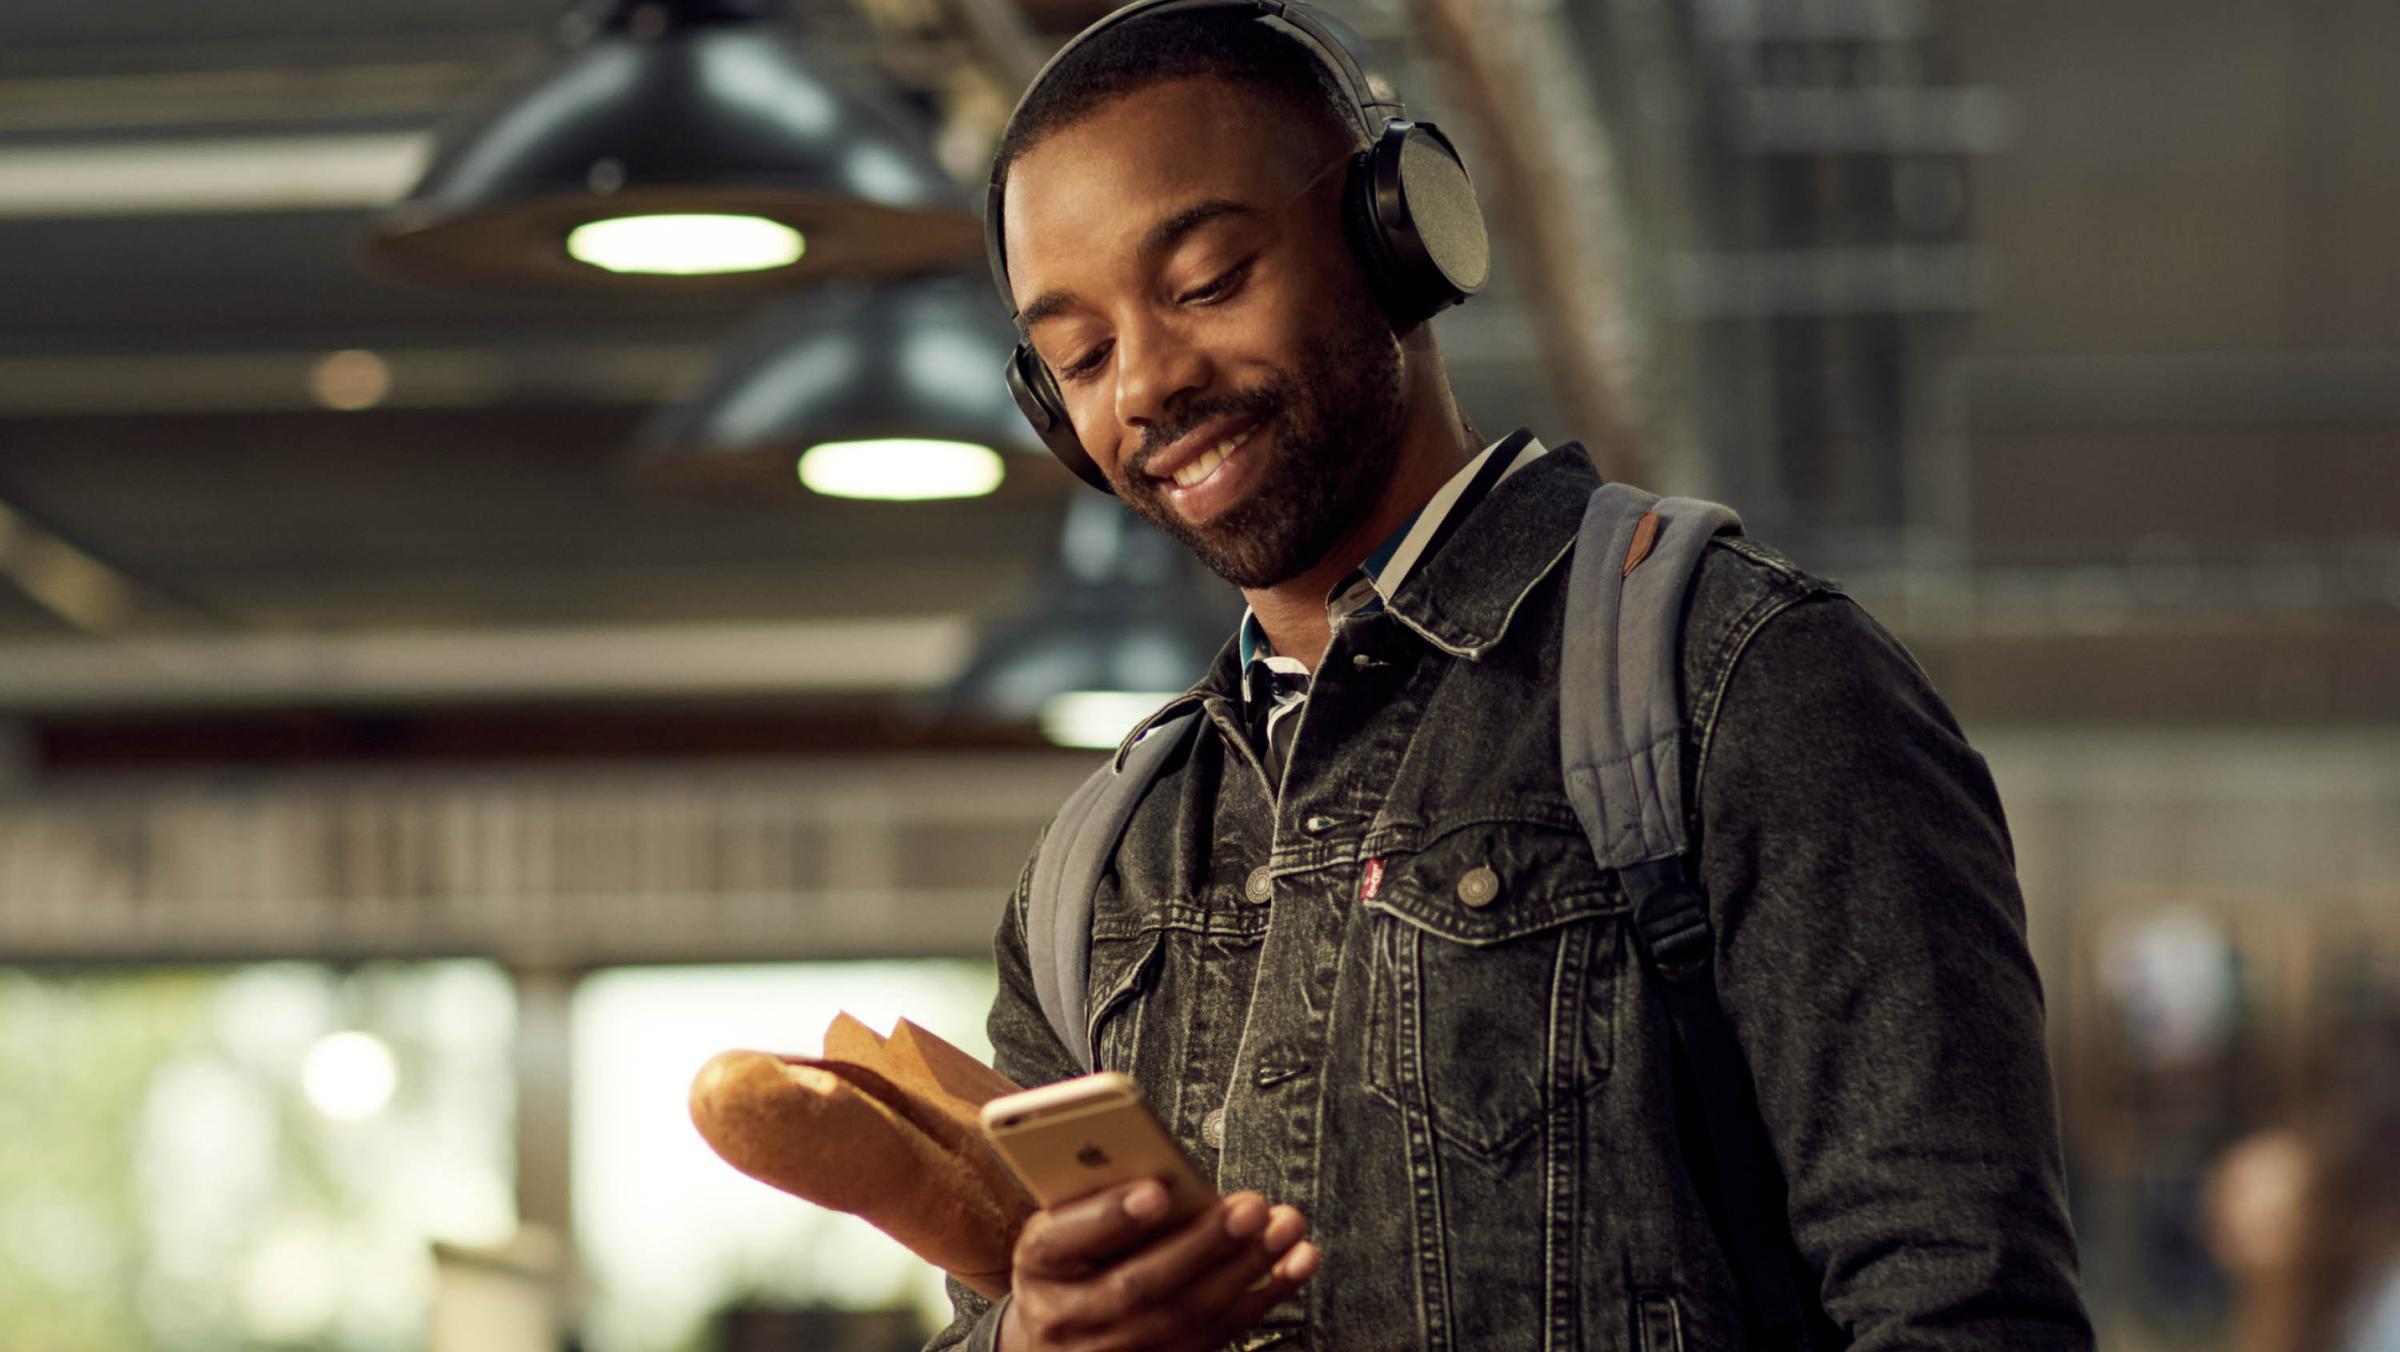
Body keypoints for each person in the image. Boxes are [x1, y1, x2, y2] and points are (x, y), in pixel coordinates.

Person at [929, 2, 2094, 1348]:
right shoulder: (1100, 878)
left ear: (1396, 235)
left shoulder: (1745, 690)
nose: (1143, 386)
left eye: (1206, 283)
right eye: (1080, 356)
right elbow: (985, 1305)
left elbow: (1961, 1305)